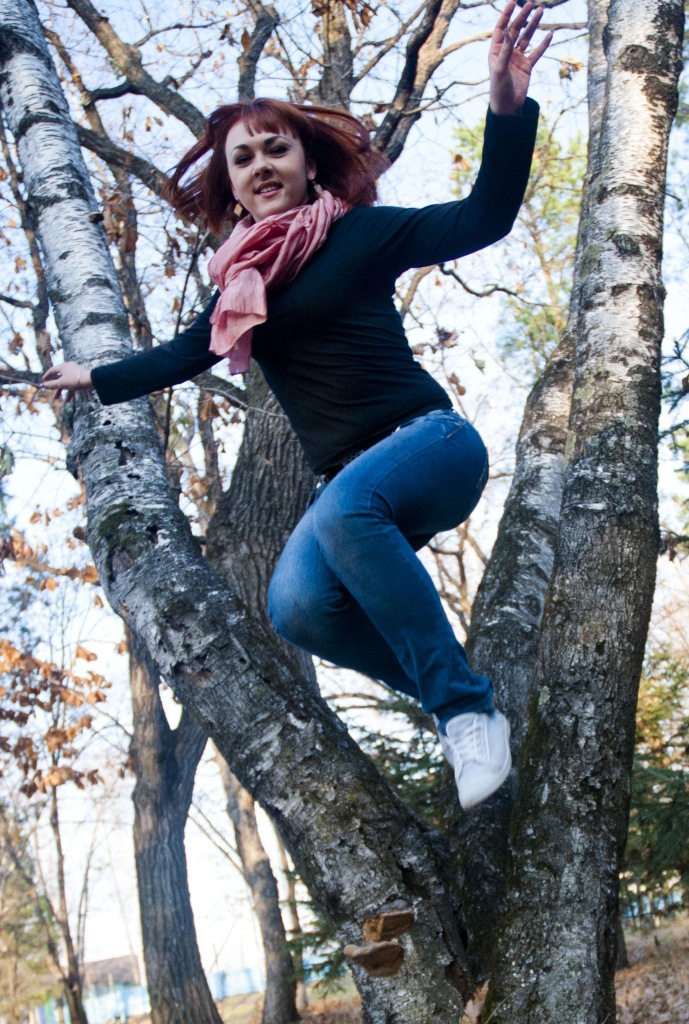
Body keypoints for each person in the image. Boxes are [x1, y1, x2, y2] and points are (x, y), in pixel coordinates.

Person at [43, 2, 552, 810]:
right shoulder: (241, 289)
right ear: (233, 190)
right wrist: (91, 377)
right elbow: (178, 357)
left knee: (345, 512)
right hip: (349, 490)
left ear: (309, 164)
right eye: (242, 158)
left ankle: (462, 711)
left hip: (430, 445)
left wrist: (505, 108)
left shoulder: (360, 235)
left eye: (275, 147)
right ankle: (463, 694)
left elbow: (484, 216)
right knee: (297, 607)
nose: (259, 164)